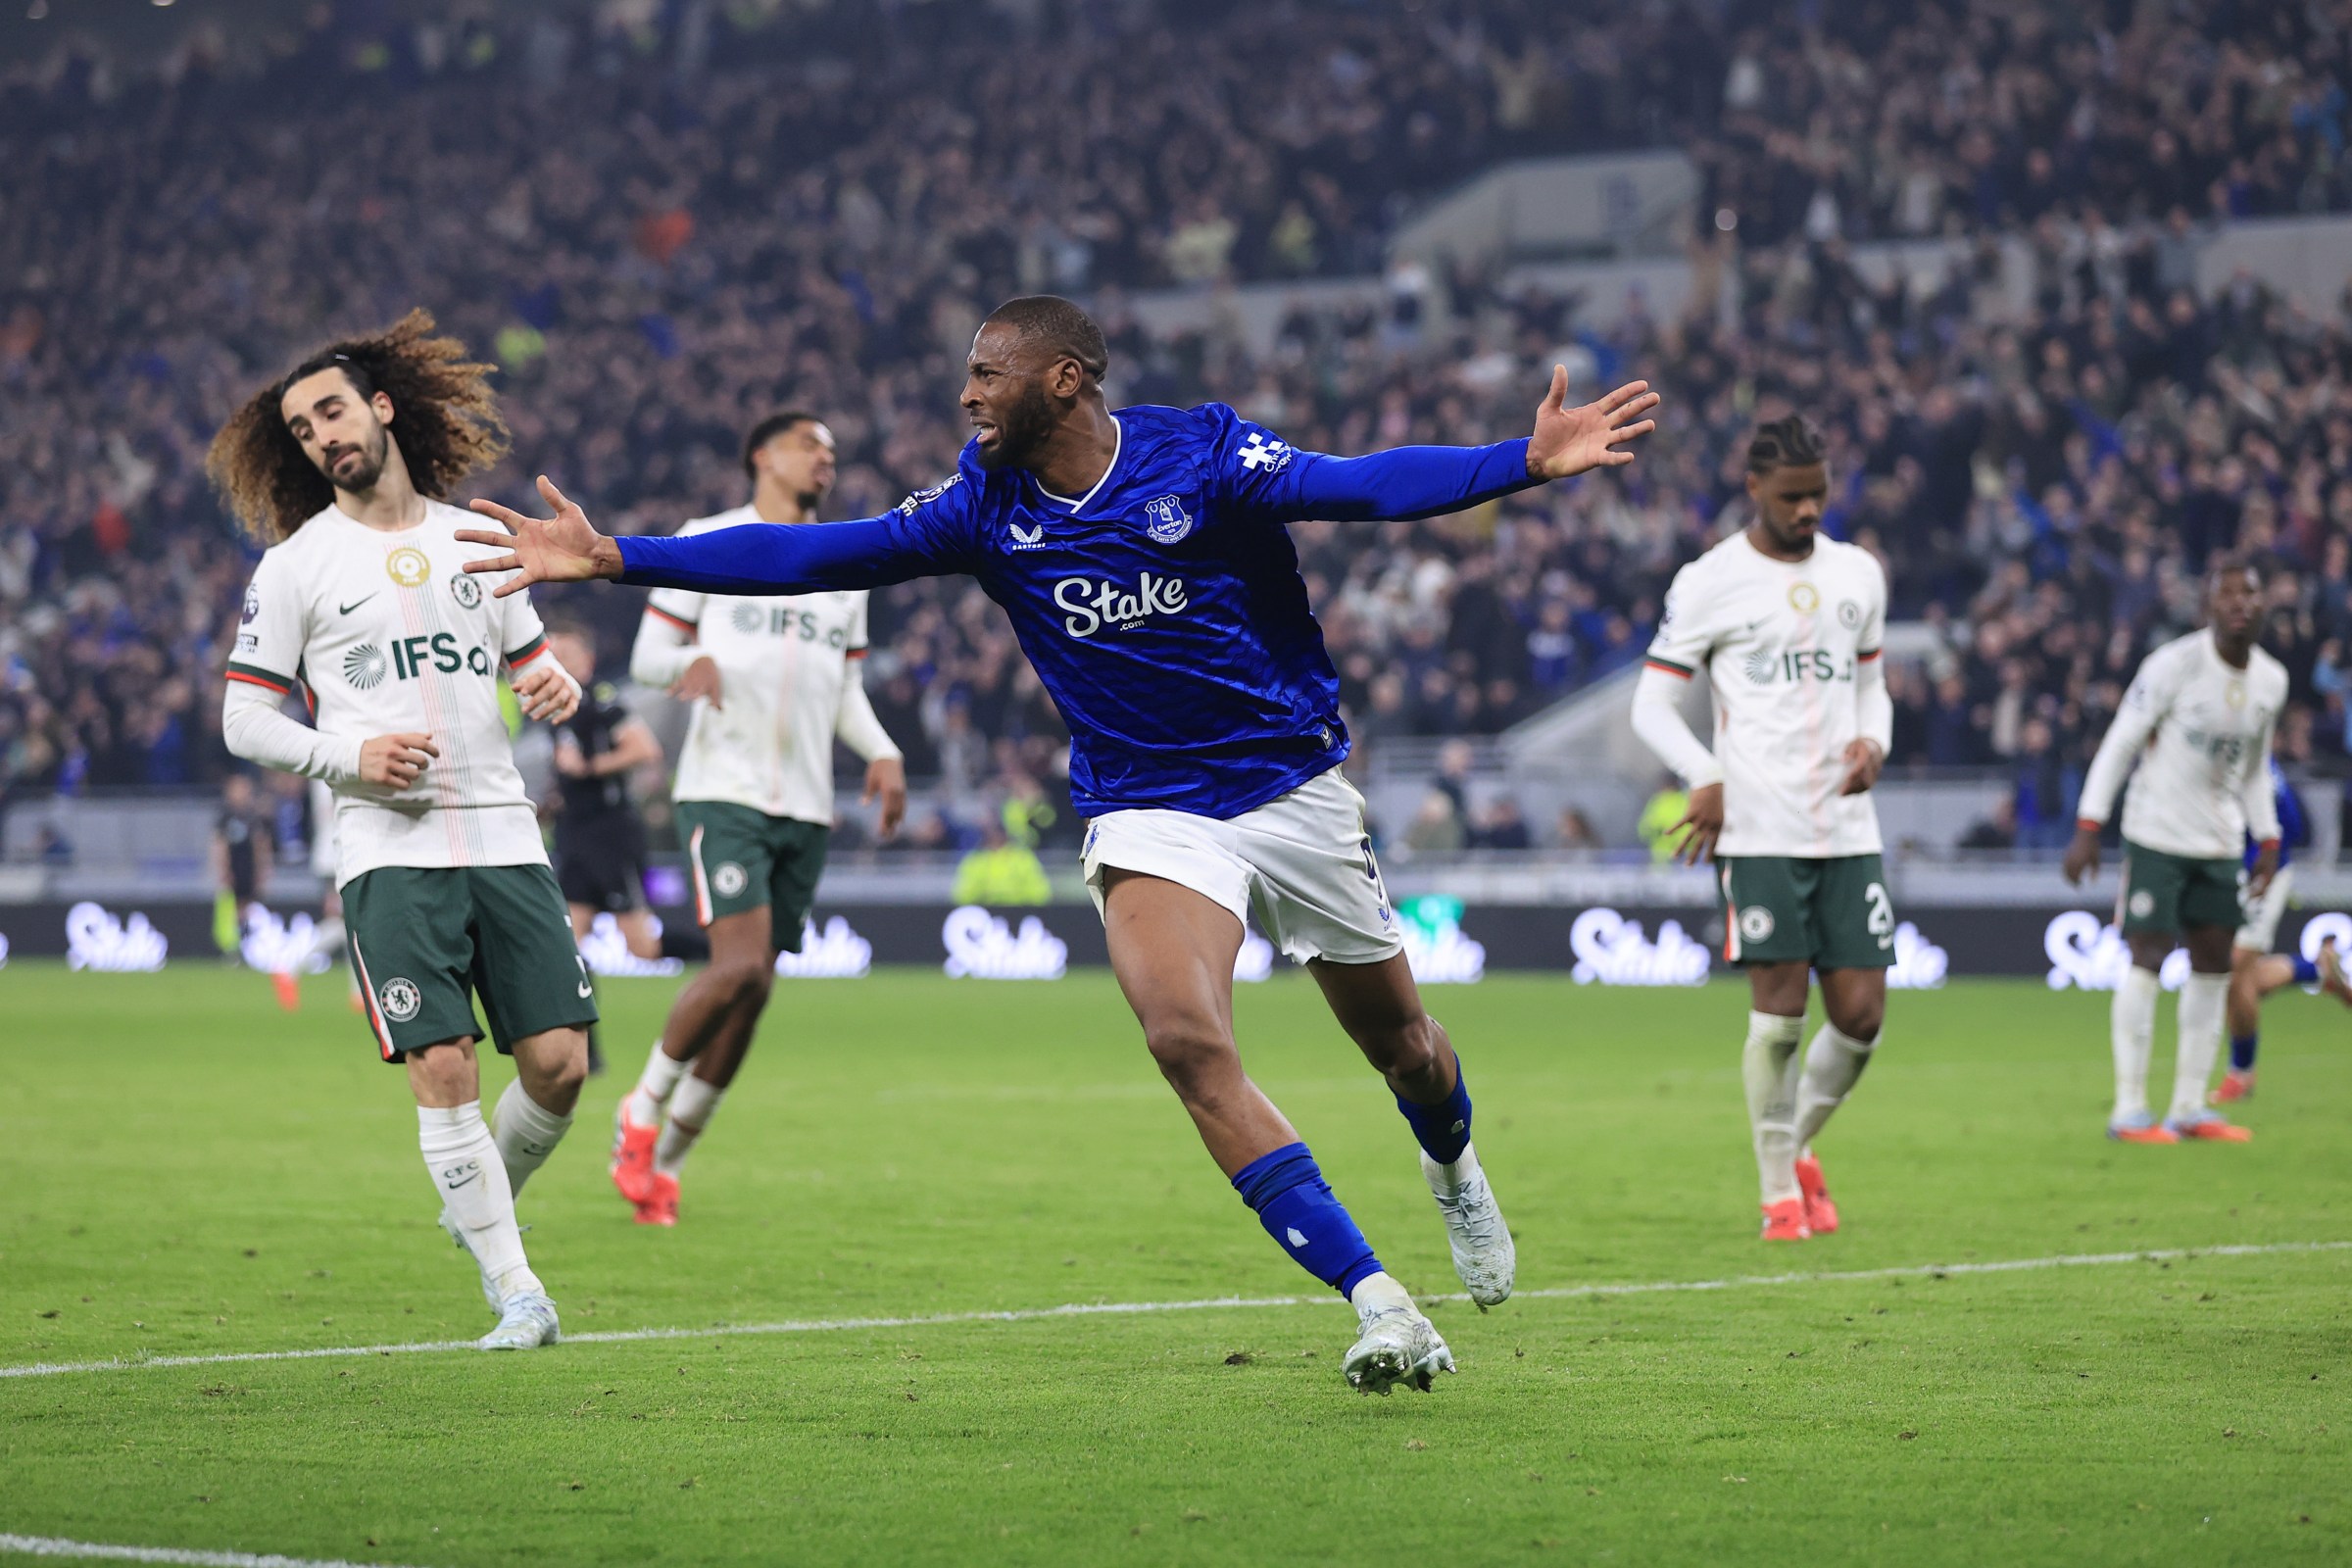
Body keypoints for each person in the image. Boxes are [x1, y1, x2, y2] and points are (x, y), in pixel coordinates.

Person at [458, 293, 1659, 1393]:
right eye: (967, 375)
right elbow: (819, 553)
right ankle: (1381, 1300)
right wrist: (621, 558)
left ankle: (1452, 1169)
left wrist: (1521, 462)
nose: (968, 394)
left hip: (1291, 786)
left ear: (1067, 380)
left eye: (990, 374)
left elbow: (1361, 483)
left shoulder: (1201, 451)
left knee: (1403, 1043)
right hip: (1148, 805)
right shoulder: (981, 506)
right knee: (1187, 1038)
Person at [209, 310, 593, 1350]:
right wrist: (350, 758)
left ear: (381, 409)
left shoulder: (477, 534)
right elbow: (243, 717)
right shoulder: (296, 566)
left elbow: (525, 657)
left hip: (505, 835)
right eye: (299, 428)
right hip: (390, 852)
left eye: (331, 409)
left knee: (560, 1064)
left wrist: (547, 679)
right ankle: (520, 1291)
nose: (321, 434)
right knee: (447, 1067)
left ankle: (476, 1209)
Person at [610, 411, 908, 1226]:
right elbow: (646, 657)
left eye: (833, 450)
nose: (826, 458)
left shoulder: (845, 562)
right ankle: (640, 1111)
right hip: (723, 787)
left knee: (757, 990)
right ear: (761, 455)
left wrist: (882, 751)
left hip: (805, 803)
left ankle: (665, 1163)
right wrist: (689, 663)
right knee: (737, 967)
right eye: (811, 444)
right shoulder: (707, 539)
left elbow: (845, 687)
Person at [1631, 415, 1892, 1243]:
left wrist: (1875, 740)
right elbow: (1653, 704)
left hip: (1848, 826)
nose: (1810, 509)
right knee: (1779, 1019)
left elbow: (1874, 686)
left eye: (1819, 493)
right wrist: (1704, 776)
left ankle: (1796, 1145)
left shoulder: (1858, 574)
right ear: (1753, 489)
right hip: (1759, 827)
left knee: (1861, 1018)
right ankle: (1779, 1191)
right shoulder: (1710, 580)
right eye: (1792, 496)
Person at [2063, 555, 2286, 1145]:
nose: (2239, 603)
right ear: (2208, 606)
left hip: (2218, 841)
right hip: (2157, 834)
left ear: (2264, 604)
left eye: (2250, 592)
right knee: (2147, 957)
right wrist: (2090, 823)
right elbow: (2121, 740)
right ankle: (2130, 1108)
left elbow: (2255, 768)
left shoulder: (2271, 680)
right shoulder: (2173, 665)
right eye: (2227, 593)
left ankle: (2190, 1106)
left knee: (2214, 965)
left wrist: (2267, 837)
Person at [2215, 760, 2349, 1102]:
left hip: (2262, 874)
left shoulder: (2256, 760)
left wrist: (2265, 858)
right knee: (2235, 978)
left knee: (2234, 968)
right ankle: (2316, 970)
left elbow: (2291, 823)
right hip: (2220, 874)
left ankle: (2241, 1073)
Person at [544, 619, 663, 958]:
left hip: (610, 834)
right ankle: (578, 1006)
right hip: (574, 832)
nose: (557, 661)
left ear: (588, 660)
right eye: (553, 654)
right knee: (568, 941)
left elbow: (645, 749)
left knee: (641, 945)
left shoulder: (602, 700)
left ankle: (712, 959)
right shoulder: (557, 707)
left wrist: (589, 768)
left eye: (565, 654)